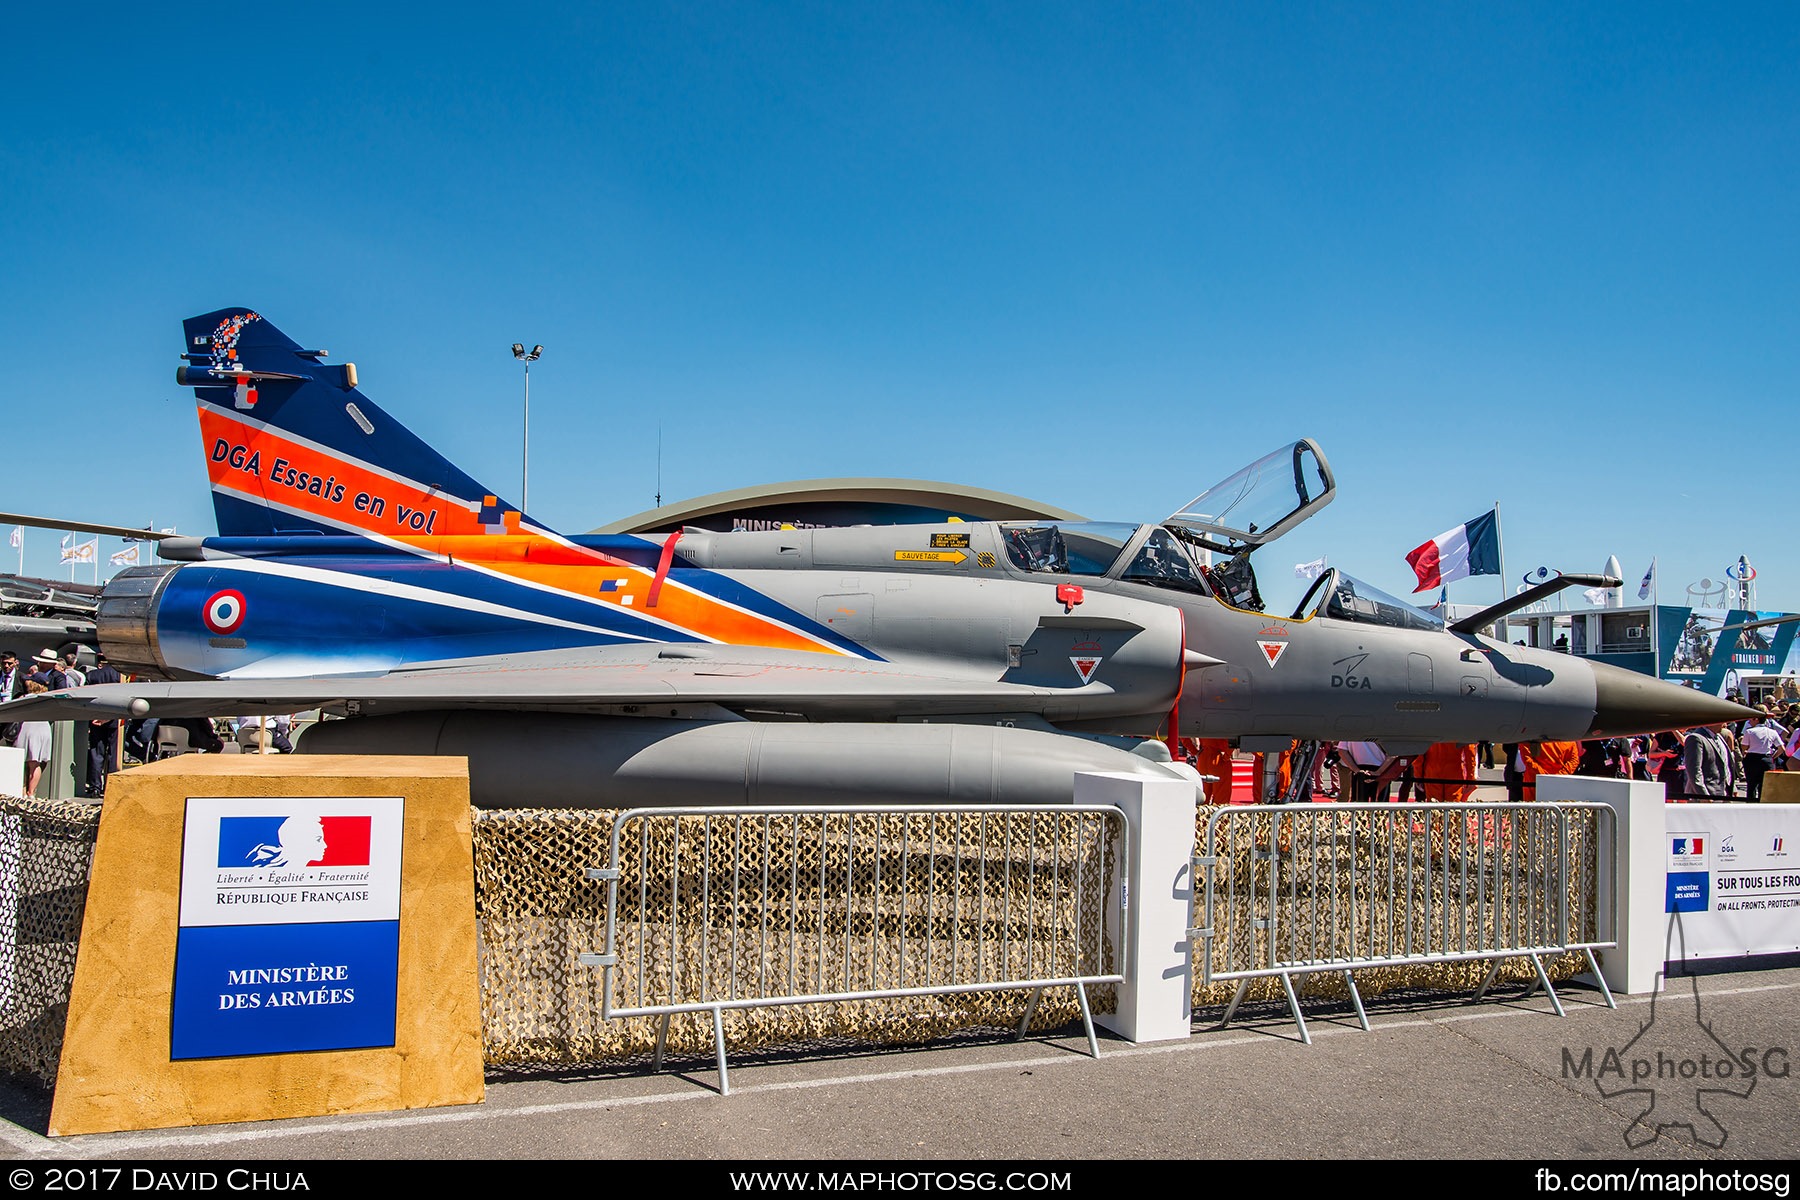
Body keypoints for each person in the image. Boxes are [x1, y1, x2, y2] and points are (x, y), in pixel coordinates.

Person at [83, 652, 122, 798]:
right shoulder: (121, 676)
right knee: (113, 754)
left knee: (96, 752)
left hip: (96, 717)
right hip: (116, 719)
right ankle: (110, 786)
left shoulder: (92, 675)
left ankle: (94, 786)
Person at [16, 673, 55, 795]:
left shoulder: (26, 698)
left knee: (22, 763)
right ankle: (31, 793)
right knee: (36, 764)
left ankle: (22, 792)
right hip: (44, 730)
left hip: (28, 729)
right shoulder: (48, 699)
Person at [1740, 713, 1787, 802]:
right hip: (1767, 758)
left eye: (1751, 719)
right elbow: (1781, 748)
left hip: (1752, 758)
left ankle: (1751, 804)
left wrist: (1745, 752)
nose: (1749, 721)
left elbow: (1744, 746)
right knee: (1765, 785)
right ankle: (1764, 803)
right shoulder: (1772, 732)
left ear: (1756, 719)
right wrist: (1773, 757)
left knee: (1751, 784)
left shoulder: (1750, 731)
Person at [1683, 724, 1733, 801]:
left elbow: (1725, 764)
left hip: (1723, 793)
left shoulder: (1719, 737)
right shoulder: (1695, 738)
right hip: (1707, 796)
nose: (1726, 724)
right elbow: (1694, 771)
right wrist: (1704, 796)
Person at [0, 649, 24, 748]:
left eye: (9, 663)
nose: (6, 666)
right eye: (3, 663)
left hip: (12, 716)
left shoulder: (21, 678)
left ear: (15, 662)